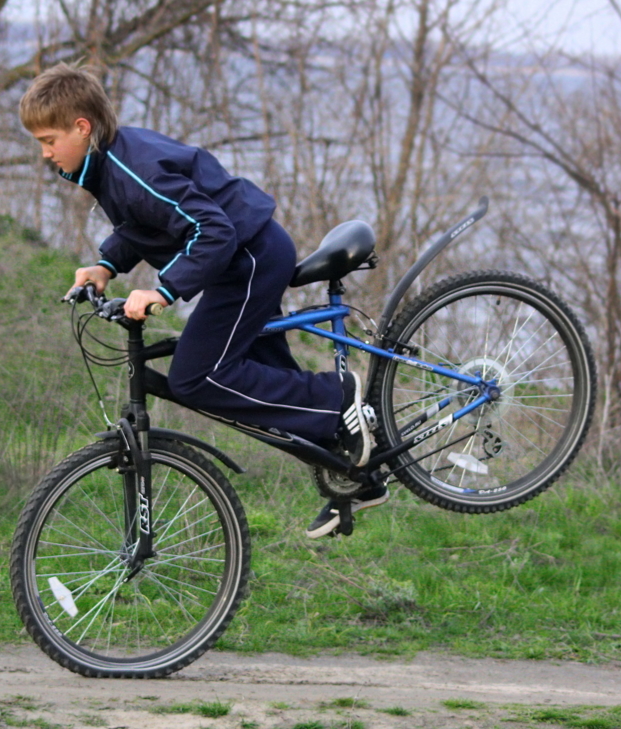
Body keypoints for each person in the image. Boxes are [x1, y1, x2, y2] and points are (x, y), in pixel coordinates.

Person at [19, 62, 388, 538]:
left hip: (249, 259)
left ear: (81, 127)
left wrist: (164, 289)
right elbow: (147, 223)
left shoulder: (132, 169)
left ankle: (339, 399)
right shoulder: (111, 162)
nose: (46, 153)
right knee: (265, 382)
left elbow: (213, 230)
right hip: (239, 260)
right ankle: (358, 477)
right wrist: (106, 265)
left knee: (197, 377)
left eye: (49, 140)